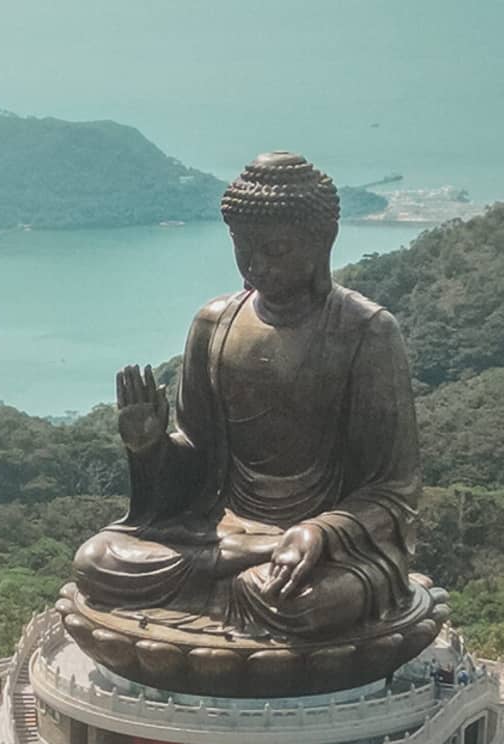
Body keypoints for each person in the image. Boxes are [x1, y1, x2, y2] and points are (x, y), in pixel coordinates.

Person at [70, 152, 423, 647]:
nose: (258, 265)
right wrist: (150, 447)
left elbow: (393, 492)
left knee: (295, 602)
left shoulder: (366, 333)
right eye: (245, 249)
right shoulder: (214, 323)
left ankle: (231, 584)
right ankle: (231, 579)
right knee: (97, 560)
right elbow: (197, 467)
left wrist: (317, 533)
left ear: (321, 241)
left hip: (317, 548)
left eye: (276, 249)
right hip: (221, 535)